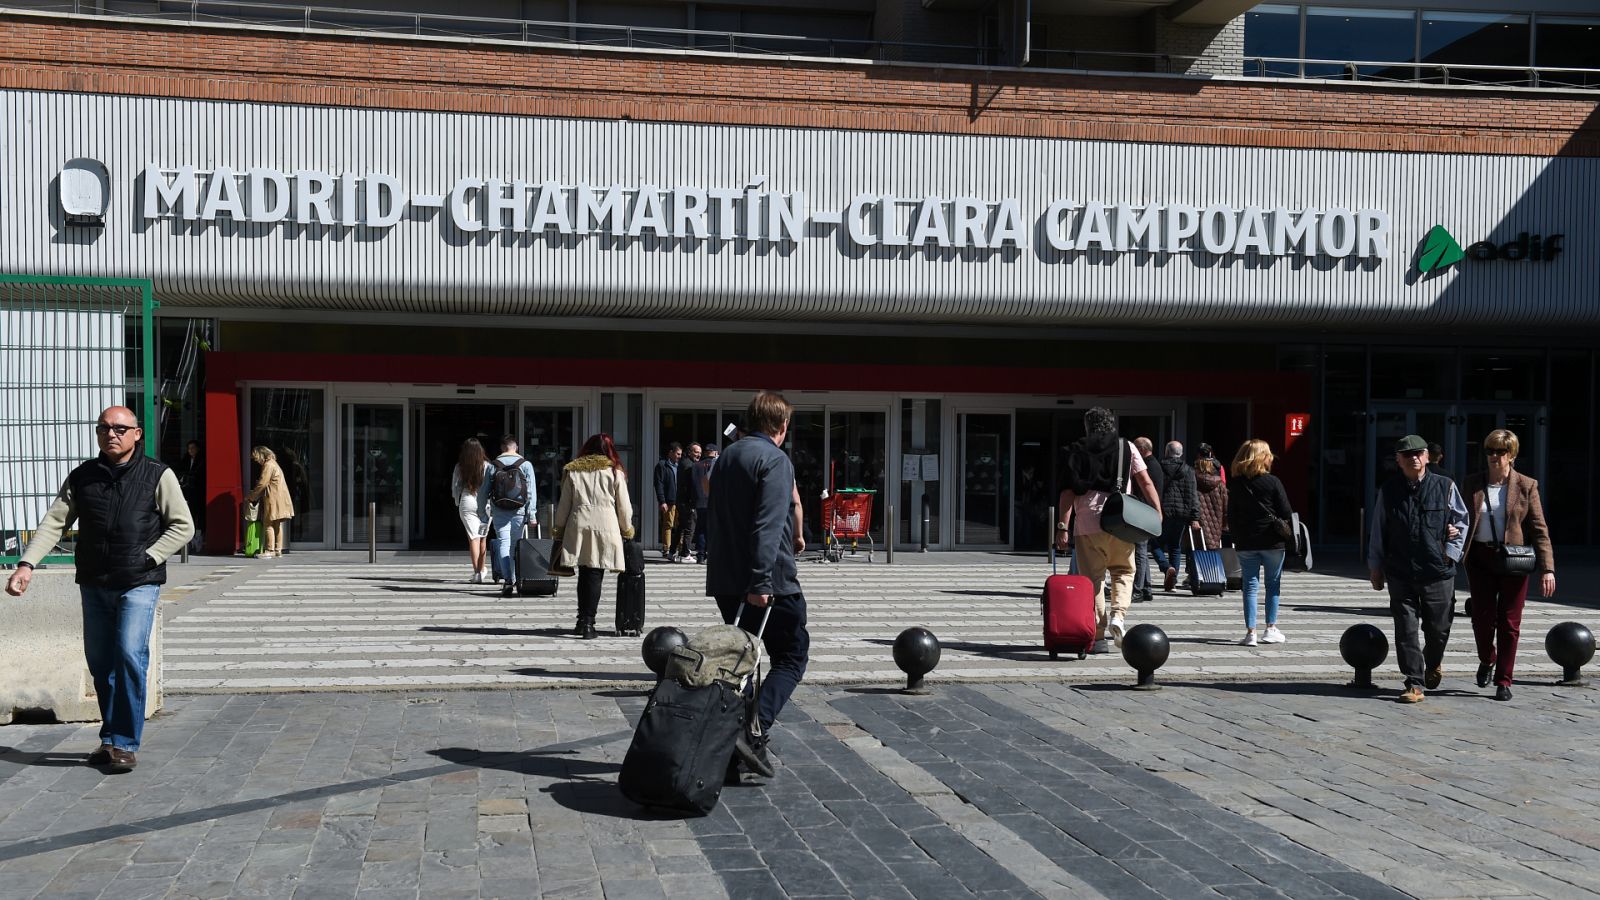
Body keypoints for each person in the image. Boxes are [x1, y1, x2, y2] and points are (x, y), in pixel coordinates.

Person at [5, 407, 194, 773]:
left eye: (121, 429)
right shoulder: (82, 477)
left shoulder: (157, 474)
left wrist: (149, 557)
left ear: (137, 434)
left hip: (138, 581)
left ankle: (124, 743)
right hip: (94, 583)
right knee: (101, 663)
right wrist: (26, 565)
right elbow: (53, 524)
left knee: (128, 655)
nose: (112, 434)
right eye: (104, 428)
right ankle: (109, 739)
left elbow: (182, 526)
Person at [707, 390, 807, 778]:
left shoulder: (726, 458)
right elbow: (767, 525)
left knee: (743, 662)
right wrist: (762, 580)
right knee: (793, 654)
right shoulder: (775, 460)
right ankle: (753, 733)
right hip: (767, 580)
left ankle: (736, 743)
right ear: (781, 426)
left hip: (725, 577)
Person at [1368, 434, 1469, 704]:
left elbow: (1461, 522)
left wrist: (1451, 553)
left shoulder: (1445, 485)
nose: (1414, 457)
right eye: (1407, 454)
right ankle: (1414, 682)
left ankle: (1433, 661)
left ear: (1427, 457)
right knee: (1406, 629)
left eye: (1419, 453)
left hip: (1438, 570)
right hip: (1401, 570)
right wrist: (1375, 566)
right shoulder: (1388, 490)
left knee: (1438, 629)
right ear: (1398, 460)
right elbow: (1378, 529)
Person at [1054, 408, 1163, 652]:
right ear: (1111, 424)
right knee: (1124, 571)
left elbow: (1067, 492)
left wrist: (1062, 527)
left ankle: (1099, 636)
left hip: (1087, 523)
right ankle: (1119, 615)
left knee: (1092, 580)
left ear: (1087, 426)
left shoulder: (1076, 450)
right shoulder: (1127, 447)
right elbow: (1145, 481)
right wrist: (1157, 511)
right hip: (1121, 520)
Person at [1461, 429, 1555, 702]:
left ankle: (1504, 680)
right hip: (1479, 558)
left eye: (1500, 451)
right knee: (1481, 618)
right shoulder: (1472, 483)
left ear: (1511, 455)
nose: (1493, 456)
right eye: (1490, 450)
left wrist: (1547, 568)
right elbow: (1458, 517)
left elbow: (1539, 529)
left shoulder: (1526, 485)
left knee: (1509, 623)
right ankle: (1487, 658)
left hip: (1514, 561)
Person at [552, 433, 635, 639]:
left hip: (578, 524)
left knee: (584, 573)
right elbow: (623, 507)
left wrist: (558, 529)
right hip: (605, 525)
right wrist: (627, 529)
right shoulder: (615, 472)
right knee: (596, 574)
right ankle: (589, 622)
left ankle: (582, 620)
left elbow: (564, 505)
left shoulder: (572, 471)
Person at [1226, 440, 1292, 647]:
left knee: (1250, 586)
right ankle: (1270, 629)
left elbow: (1232, 516)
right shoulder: (1273, 482)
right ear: (1264, 457)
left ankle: (1250, 633)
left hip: (1247, 543)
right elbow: (1286, 512)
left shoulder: (1236, 484)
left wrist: (1237, 538)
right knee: (1272, 585)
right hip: (1272, 542)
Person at [489, 434, 537, 597]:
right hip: (519, 510)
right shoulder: (526, 465)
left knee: (503, 543)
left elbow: (484, 491)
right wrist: (532, 514)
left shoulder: (493, 465)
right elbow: (531, 492)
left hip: (499, 509)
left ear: (502, 448)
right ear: (515, 447)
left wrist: (482, 512)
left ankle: (508, 580)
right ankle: (515, 579)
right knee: (515, 545)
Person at [1156, 441, 1200, 592]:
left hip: (1163, 512)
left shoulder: (1159, 467)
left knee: (1155, 543)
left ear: (1166, 452)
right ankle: (1172, 582)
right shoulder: (1188, 470)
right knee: (1175, 547)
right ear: (1180, 454)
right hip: (1182, 513)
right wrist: (1194, 517)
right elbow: (1193, 495)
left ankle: (1166, 567)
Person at [451, 437, 493, 583]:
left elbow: (455, 487)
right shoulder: (487, 466)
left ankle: (477, 573)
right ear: (480, 450)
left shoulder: (460, 466)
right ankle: (481, 571)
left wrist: (458, 501)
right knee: (482, 539)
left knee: (472, 538)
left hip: (467, 501)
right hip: (484, 503)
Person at [246, 446, 295, 559]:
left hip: (273, 498)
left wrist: (252, 497)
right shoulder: (274, 463)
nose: (256, 461)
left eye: (256, 457)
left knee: (268, 524)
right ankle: (278, 549)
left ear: (261, 455)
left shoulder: (268, 465)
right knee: (277, 524)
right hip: (281, 498)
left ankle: (269, 550)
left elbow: (262, 483)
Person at [1131, 436, 1161, 604]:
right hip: (1148, 511)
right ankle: (1147, 588)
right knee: (1143, 550)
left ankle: (1137, 590)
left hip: (1143, 512)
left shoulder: (1147, 466)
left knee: (1140, 552)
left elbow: (1146, 488)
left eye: (1135, 449)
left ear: (1141, 450)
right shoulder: (1155, 464)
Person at [672, 442, 702, 562]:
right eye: (696, 452)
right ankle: (685, 554)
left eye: (700, 452)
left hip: (681, 500)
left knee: (681, 527)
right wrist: (694, 501)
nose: (698, 455)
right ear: (689, 452)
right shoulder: (691, 466)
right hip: (687, 501)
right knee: (689, 527)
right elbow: (692, 486)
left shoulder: (683, 463)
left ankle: (672, 551)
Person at [654, 443, 682, 560]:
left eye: (681, 454)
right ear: (670, 452)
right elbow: (658, 484)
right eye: (677, 454)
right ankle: (667, 549)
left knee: (681, 526)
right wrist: (662, 501)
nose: (679, 456)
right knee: (668, 525)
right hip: (669, 501)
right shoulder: (662, 465)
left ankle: (681, 549)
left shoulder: (680, 465)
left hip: (680, 501)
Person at [691, 443, 719, 563]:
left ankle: (701, 554)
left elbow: (693, 484)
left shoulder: (696, 465)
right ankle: (710, 553)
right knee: (712, 528)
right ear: (715, 452)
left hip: (700, 501)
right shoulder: (717, 464)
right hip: (712, 501)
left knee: (701, 527)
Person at [1194, 455, 1227, 551]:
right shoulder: (1220, 484)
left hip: (1198, 520)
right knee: (1213, 549)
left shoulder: (1193, 481)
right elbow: (1225, 504)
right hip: (1216, 521)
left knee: (1196, 548)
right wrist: (1225, 524)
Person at [177, 439, 205, 550]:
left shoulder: (202, 460)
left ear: (197, 449)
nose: (190, 450)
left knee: (199, 514)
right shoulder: (185, 460)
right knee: (189, 513)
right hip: (187, 491)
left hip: (198, 491)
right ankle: (190, 539)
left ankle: (198, 538)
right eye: (189, 448)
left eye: (193, 448)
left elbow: (199, 475)